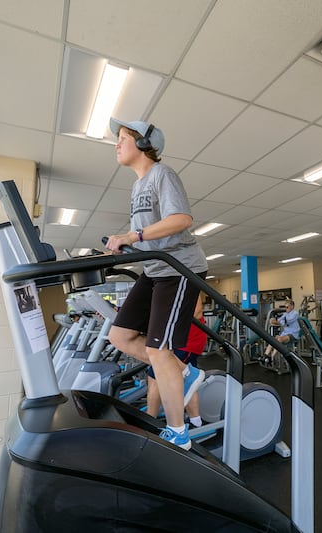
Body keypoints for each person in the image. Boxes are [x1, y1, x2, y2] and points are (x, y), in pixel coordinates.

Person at [104, 119, 208, 450]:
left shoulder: (163, 175)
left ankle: (179, 433)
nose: (117, 144)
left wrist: (133, 236)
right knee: (119, 336)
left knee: (157, 350)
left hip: (179, 268)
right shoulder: (137, 186)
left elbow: (181, 220)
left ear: (143, 144)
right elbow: (148, 236)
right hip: (155, 269)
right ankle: (185, 373)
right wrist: (124, 243)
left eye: (123, 138)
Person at [146, 295, 207, 429]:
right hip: (175, 342)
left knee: (155, 376)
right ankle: (196, 422)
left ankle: (149, 422)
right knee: (186, 380)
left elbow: (196, 312)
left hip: (187, 342)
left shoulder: (188, 284)